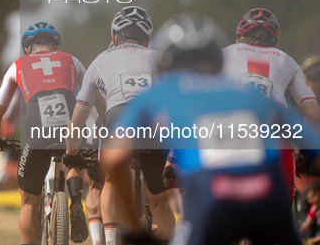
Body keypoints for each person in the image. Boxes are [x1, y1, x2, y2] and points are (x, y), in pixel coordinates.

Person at [101, 13, 320, 245]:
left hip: (213, 199)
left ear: (164, 66)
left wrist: (136, 227)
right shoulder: (251, 95)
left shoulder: (161, 92)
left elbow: (115, 159)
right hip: (269, 196)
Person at [64, 6, 174, 243]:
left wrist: (71, 152)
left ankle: (110, 240)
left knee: (112, 180)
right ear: (147, 39)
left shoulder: (101, 60)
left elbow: (79, 118)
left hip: (118, 119)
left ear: (114, 36)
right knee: (160, 202)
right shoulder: (158, 57)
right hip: (154, 123)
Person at [0, 22, 87, 245]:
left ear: (28, 48)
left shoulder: (17, 66)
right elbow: (92, 96)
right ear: (55, 46)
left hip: (36, 126)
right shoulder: (71, 60)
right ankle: (76, 201)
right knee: (72, 158)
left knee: (29, 201)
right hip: (71, 121)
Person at [222, 8, 320, 198]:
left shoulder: (224, 53)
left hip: (231, 137)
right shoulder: (288, 61)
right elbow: (314, 114)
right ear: (274, 41)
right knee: (279, 220)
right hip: (275, 140)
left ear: (239, 37)